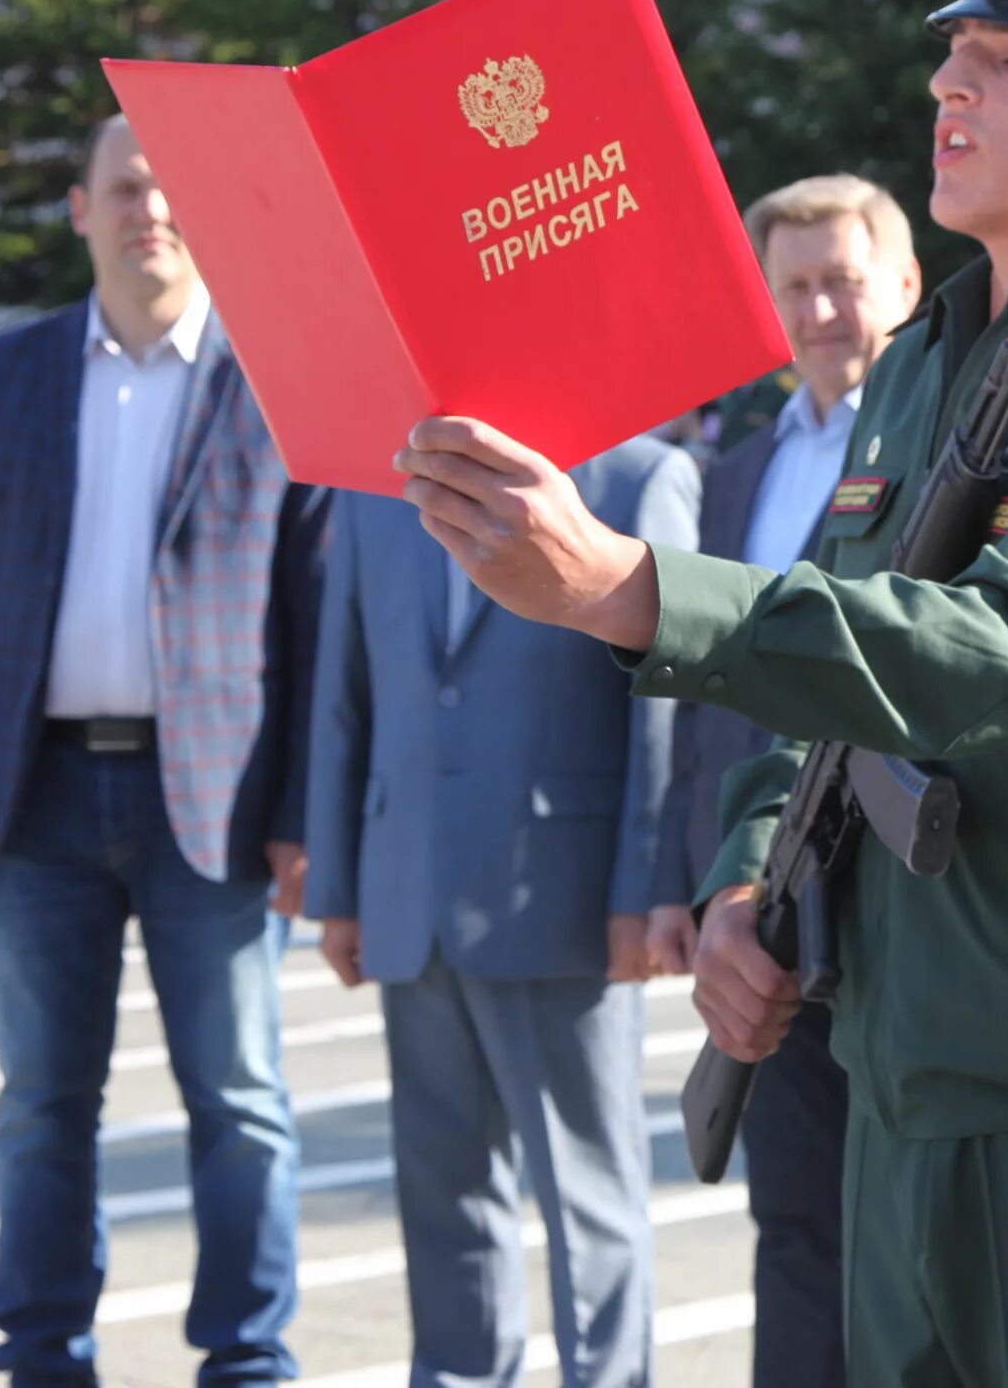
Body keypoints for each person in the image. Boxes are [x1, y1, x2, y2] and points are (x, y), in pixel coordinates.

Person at [393, 0, 1008, 1388]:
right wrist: (752, 878)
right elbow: (839, 655)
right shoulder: (926, 367)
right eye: (958, 56)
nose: (950, 88)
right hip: (901, 1088)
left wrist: (631, 590)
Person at [0, 116, 332, 1388]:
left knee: (240, 1103)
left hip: (218, 797)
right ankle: (43, 1355)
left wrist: (308, 812)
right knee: (41, 1105)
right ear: (82, 210)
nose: (152, 210)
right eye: (127, 187)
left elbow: (310, 614)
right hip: (33, 799)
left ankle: (247, 1359)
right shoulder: (10, 372)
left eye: (175, 190)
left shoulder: (276, 375)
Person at [307, 433, 697, 1388]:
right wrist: (341, 889)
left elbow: (665, 705)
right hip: (410, 888)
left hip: (559, 895)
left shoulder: (638, 478)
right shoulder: (376, 491)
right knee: (444, 1194)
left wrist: (641, 888)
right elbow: (344, 691)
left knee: (586, 1195)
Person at [647, 171, 923, 1388]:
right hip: (757, 901)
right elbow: (696, 692)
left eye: (843, 281)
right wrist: (685, 876)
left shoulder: (933, 447)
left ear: (905, 286)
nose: (819, 309)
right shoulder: (737, 467)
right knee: (795, 1221)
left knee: (902, 1237)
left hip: (888, 897)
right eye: (795, 284)